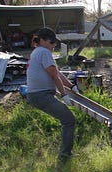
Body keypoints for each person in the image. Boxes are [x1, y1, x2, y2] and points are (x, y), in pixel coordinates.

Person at [26, 27, 79, 161]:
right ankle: (64, 156)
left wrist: (71, 86)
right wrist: (64, 95)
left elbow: (58, 73)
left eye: (55, 43)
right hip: (41, 95)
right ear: (43, 40)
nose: (54, 45)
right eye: (51, 42)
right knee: (69, 120)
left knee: (66, 119)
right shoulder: (44, 52)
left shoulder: (38, 51)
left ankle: (65, 153)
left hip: (39, 94)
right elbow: (55, 77)